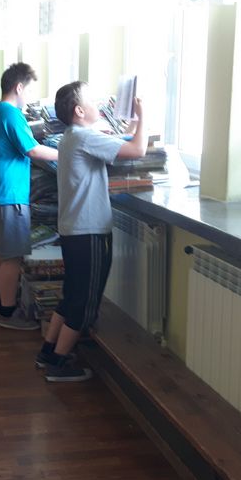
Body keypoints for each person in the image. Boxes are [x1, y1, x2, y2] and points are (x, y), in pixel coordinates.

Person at [36, 81, 150, 381]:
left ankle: (48, 352)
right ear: (79, 110)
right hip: (89, 232)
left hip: (74, 230)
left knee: (72, 295)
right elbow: (137, 150)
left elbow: (114, 142)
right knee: (85, 303)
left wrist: (128, 126)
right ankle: (59, 364)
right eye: (92, 100)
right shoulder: (85, 138)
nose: (98, 103)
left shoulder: (71, 137)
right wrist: (143, 116)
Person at [0, 63, 58, 330]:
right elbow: (33, 150)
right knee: (12, 258)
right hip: (10, 196)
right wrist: (68, 153)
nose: (29, 97)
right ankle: (8, 314)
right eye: (30, 91)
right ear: (19, 87)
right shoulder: (11, 114)